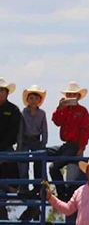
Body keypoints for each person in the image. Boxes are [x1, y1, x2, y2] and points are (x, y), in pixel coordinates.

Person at [48, 81, 89, 200]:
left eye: (73, 94)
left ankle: (62, 194)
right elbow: (57, 121)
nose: (71, 97)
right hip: (67, 145)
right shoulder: (65, 109)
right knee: (43, 153)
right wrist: (59, 108)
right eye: (69, 94)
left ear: (78, 96)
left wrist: (81, 147)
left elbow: (85, 131)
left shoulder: (82, 111)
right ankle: (60, 192)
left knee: (53, 167)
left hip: (74, 146)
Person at [17, 85, 48, 195]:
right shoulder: (23, 113)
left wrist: (43, 144)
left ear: (39, 100)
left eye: (36, 98)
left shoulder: (42, 113)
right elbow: (20, 129)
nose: (33, 100)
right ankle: (23, 187)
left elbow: (44, 130)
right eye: (31, 98)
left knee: (38, 163)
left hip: (36, 141)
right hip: (25, 140)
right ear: (27, 100)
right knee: (23, 164)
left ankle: (38, 187)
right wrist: (19, 145)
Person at [0, 77, 21, 220]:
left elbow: (14, 132)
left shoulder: (13, 110)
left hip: (6, 149)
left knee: (12, 171)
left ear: (7, 93)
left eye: (2, 90)